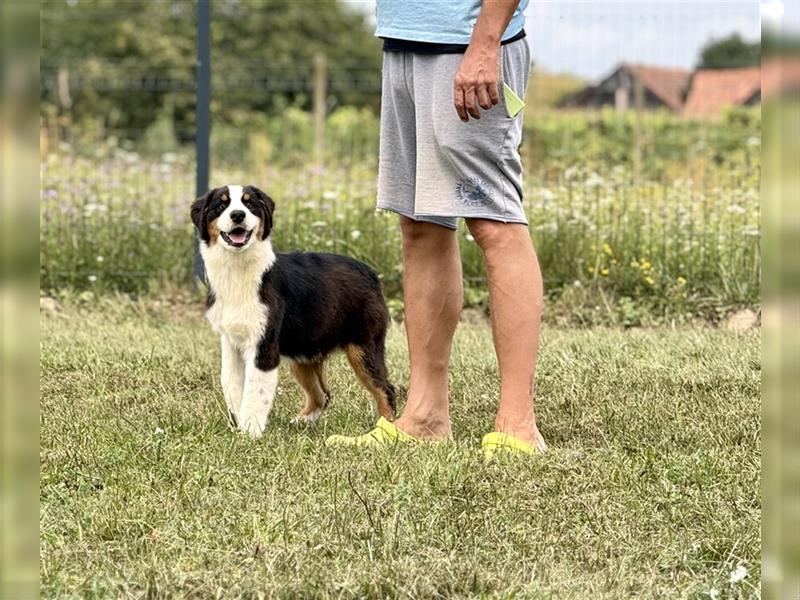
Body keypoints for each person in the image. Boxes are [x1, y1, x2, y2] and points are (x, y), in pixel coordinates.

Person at [326, 0, 547, 456]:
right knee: (420, 225)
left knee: (495, 223)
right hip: (405, 42)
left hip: (470, 48)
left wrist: (485, 43)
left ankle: (518, 424)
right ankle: (425, 415)